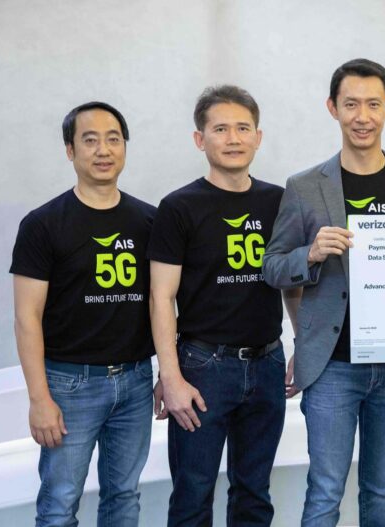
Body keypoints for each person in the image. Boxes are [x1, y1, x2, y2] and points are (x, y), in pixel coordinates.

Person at [263, 58, 385, 526]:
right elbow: (272, 267)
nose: (363, 116)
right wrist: (311, 254)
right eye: (351, 104)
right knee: (325, 492)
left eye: (373, 104)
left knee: (381, 491)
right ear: (333, 108)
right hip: (332, 367)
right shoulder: (304, 187)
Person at [148, 85, 299, 526]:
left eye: (243, 128)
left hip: (268, 364)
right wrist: (170, 377)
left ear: (258, 137)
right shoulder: (179, 207)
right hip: (203, 368)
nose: (233, 138)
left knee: (254, 494)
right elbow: (161, 297)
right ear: (200, 139)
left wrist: (304, 345)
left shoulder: (279, 201)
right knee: (193, 495)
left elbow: (291, 283)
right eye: (220, 129)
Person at [10, 102, 156, 527]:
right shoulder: (42, 224)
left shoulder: (149, 220)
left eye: (113, 139)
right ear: (70, 151)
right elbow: (26, 317)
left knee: (124, 497)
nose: (103, 150)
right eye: (90, 140)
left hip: (135, 380)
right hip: (69, 385)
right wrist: (39, 399)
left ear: (124, 147)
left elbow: (163, 302)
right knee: (60, 504)